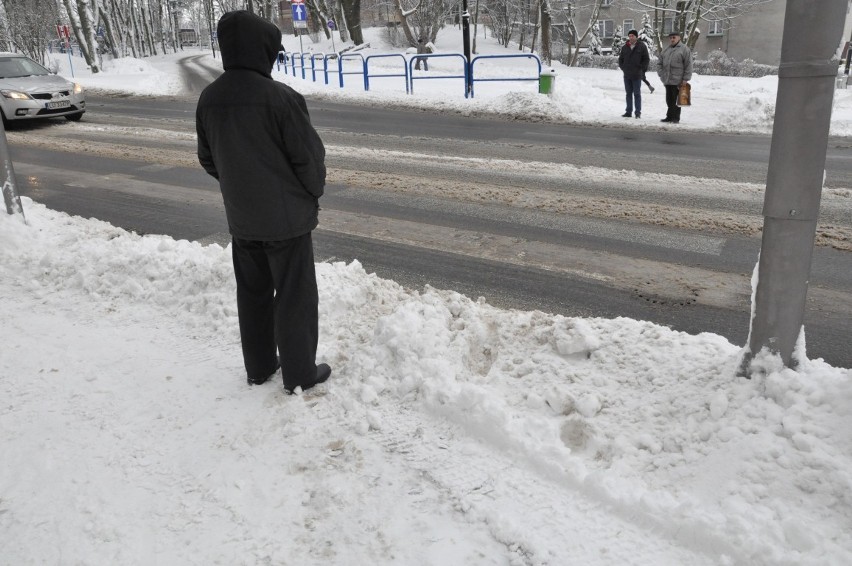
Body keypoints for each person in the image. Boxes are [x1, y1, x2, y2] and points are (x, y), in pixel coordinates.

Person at [196, 10, 331, 394]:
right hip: (286, 220)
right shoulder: (281, 99)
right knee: (294, 296)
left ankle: (258, 367)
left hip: (243, 219)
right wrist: (312, 192)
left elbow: (208, 158)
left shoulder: (209, 98)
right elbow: (309, 159)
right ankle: (300, 373)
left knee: (252, 293)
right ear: (263, 49)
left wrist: (240, 184)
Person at [657, 30, 693, 123]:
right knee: (669, 100)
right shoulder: (666, 50)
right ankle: (669, 117)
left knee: (676, 101)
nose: (672, 39)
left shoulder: (684, 49)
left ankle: (675, 118)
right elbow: (659, 63)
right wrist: (661, 74)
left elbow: (688, 64)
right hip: (667, 79)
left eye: (674, 37)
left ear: (679, 38)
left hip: (678, 80)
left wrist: (685, 79)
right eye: (671, 38)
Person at [618, 29, 650, 118]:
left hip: (637, 75)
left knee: (637, 94)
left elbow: (646, 59)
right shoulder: (625, 47)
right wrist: (623, 68)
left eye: (632, 36)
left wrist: (641, 69)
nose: (631, 37)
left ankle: (637, 112)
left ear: (636, 37)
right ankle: (628, 112)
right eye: (630, 36)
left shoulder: (642, 46)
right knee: (628, 94)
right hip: (627, 75)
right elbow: (621, 59)